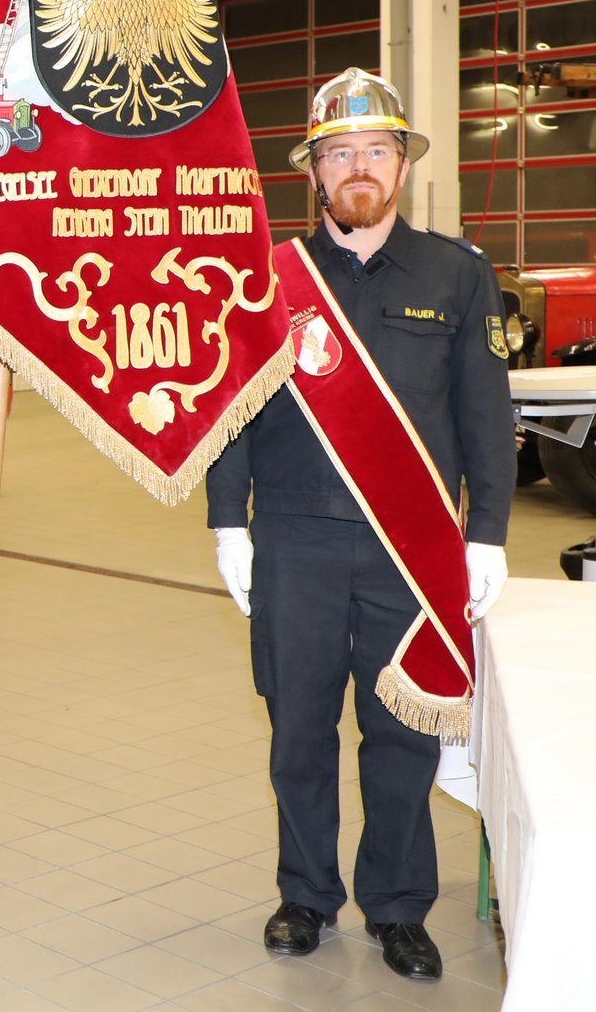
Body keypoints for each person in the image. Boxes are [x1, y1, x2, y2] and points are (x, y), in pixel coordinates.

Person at [207, 68, 513, 984]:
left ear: (403, 164)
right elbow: (231, 408)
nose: (359, 168)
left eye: (376, 150)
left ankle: (398, 906)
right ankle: (305, 895)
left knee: (402, 737)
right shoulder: (268, 279)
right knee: (298, 731)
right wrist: (229, 524)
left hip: (409, 551)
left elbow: (484, 416)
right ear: (314, 170)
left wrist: (487, 533)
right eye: (339, 154)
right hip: (294, 541)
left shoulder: (457, 275)